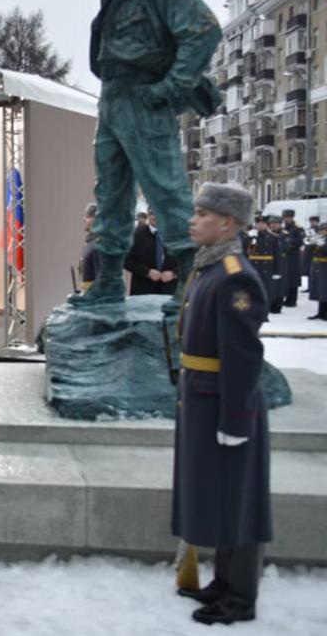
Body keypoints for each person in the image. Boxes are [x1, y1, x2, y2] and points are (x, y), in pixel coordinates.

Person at [72, 0, 221, 314]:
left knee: (165, 188)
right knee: (111, 193)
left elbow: (205, 30)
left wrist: (171, 87)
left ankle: (189, 281)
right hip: (113, 97)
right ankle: (106, 281)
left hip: (143, 97)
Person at [172, 183, 271, 626]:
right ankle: (224, 582)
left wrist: (235, 418)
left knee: (240, 500)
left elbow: (243, 356)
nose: (193, 221)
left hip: (226, 405)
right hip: (202, 399)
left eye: (202, 214)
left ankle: (241, 596)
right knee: (219, 496)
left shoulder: (234, 275)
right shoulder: (209, 269)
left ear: (227, 222)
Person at [124, 210, 179, 296]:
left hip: (171, 291)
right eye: (152, 213)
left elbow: (188, 260)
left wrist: (174, 274)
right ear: (147, 215)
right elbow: (126, 261)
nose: (155, 216)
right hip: (143, 292)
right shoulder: (137, 234)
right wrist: (147, 272)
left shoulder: (177, 234)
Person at [246, 216, 281, 317]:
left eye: (263, 223)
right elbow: (247, 252)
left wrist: (277, 271)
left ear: (267, 225)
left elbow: (277, 256)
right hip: (253, 266)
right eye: (258, 223)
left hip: (267, 267)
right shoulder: (250, 236)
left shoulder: (273, 237)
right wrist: (251, 239)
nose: (260, 225)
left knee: (266, 291)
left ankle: (264, 313)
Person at [279, 210, 304, 307]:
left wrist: (289, 242)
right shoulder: (283, 227)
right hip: (284, 255)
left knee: (293, 277)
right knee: (286, 276)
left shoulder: (297, 228)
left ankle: (292, 299)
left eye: (288, 217)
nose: (286, 219)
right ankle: (287, 297)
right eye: (285, 217)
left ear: (292, 217)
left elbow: (300, 241)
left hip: (293, 255)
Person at [79, 203, 101, 292]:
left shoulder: (100, 244)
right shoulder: (89, 243)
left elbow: (101, 280)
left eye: (88, 217)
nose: (84, 220)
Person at [307, 224, 327, 321]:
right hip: (318, 265)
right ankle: (321, 312)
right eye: (321, 230)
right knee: (320, 290)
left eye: (323, 230)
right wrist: (312, 243)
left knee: (325, 290)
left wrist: (323, 245)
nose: (321, 232)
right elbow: (311, 252)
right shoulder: (320, 238)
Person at [302, 216, 320, 292]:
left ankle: (316, 287)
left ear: (317, 222)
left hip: (316, 252)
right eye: (311, 221)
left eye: (313, 221)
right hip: (308, 252)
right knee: (309, 271)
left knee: (315, 271)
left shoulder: (319, 230)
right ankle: (310, 287)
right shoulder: (309, 229)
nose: (312, 223)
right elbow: (305, 239)